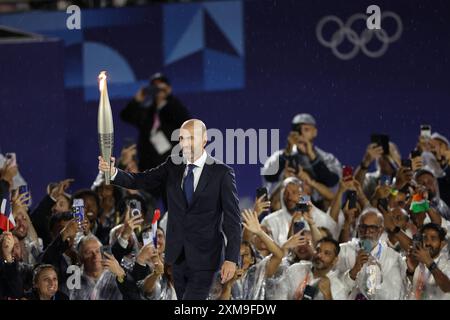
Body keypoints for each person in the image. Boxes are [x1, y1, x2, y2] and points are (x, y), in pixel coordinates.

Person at [98, 119, 241, 300]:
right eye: (182, 138)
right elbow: (141, 180)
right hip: (177, 258)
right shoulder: (172, 165)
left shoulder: (222, 173)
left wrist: (231, 258)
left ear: (204, 139)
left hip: (206, 258)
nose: (186, 143)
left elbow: (232, 220)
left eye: (191, 138)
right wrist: (113, 173)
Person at [262, 113, 342, 198]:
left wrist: (312, 156)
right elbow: (268, 177)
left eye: (306, 129)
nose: (302, 133)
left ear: (314, 132)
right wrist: (287, 153)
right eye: (298, 130)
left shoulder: (327, 158)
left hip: (316, 206)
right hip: (286, 204)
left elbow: (333, 183)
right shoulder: (278, 156)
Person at [336, 208, 406, 299]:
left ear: (380, 230)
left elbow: (394, 296)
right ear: (357, 228)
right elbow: (334, 289)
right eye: (363, 227)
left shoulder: (392, 258)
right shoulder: (343, 251)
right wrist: (353, 272)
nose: (366, 232)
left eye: (372, 228)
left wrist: (377, 278)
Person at [277, 237, 348, 300]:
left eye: (326, 253)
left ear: (335, 260)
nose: (319, 255)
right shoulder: (296, 269)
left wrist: (328, 295)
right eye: (318, 250)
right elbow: (279, 294)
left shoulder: (338, 288)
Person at [406, 223, 450, 299]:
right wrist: (411, 272)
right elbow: (412, 289)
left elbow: (447, 287)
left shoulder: (447, 263)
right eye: (425, 238)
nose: (427, 243)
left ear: (442, 244)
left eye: (433, 239)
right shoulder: (417, 260)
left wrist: (429, 262)